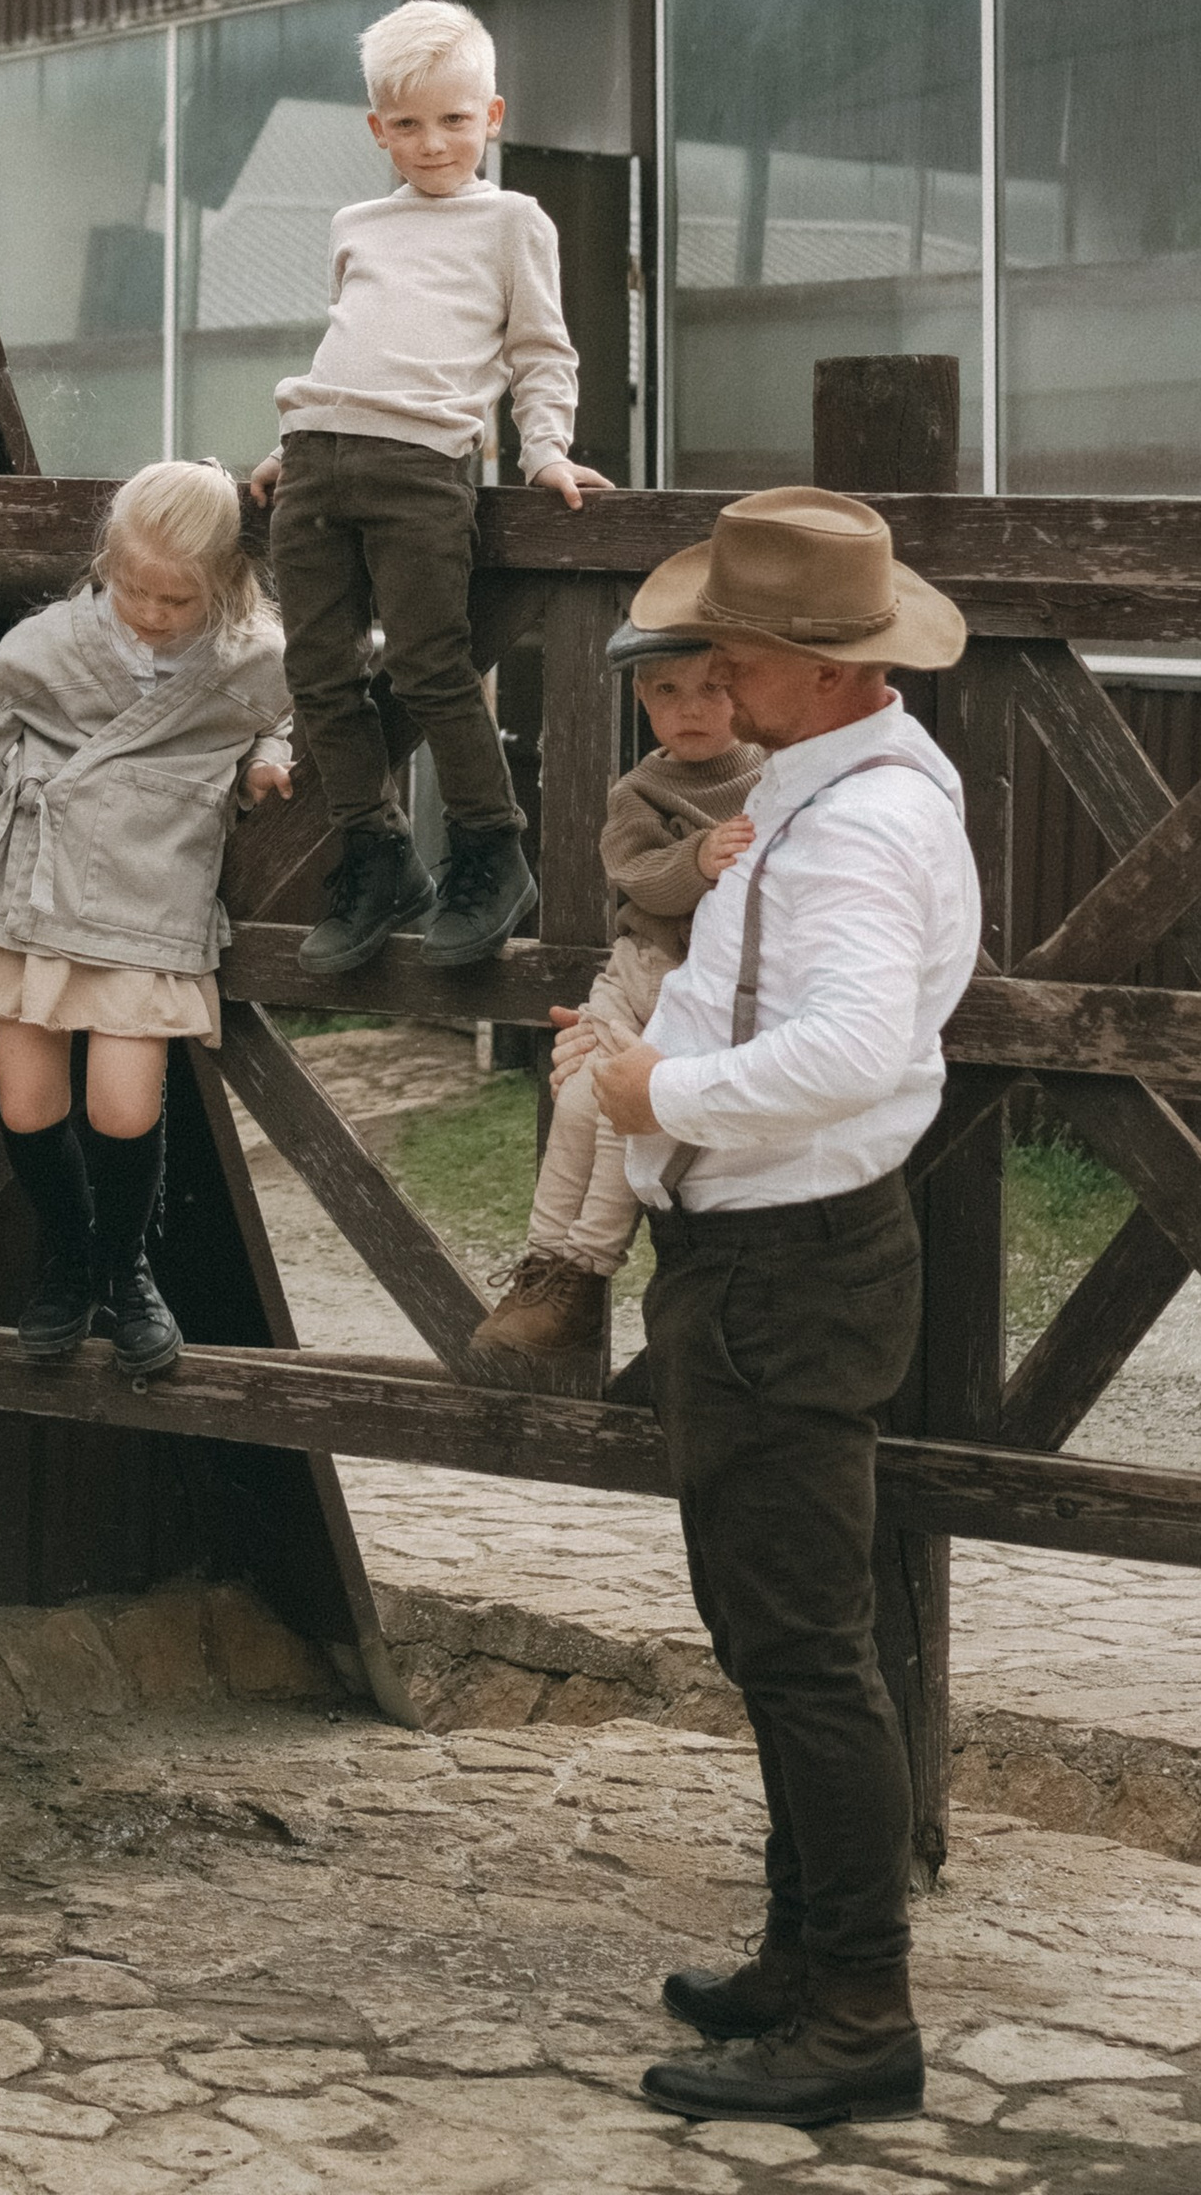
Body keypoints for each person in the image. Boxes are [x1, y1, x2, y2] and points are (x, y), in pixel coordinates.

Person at [549, 488, 978, 2133]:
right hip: (777, 1259)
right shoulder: (844, 784)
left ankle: (860, 2005)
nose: (708, 661)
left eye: (736, 641)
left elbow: (860, 1047)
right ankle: (810, 1957)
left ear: (813, 664)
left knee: (802, 1648)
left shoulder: (858, 823)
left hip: (788, 1265)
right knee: (784, 1631)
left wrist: (664, 1085)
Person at [245, 0, 609, 980]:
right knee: (316, 671)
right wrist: (295, 441)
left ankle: (492, 852)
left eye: (453, 119)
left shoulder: (512, 222)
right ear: (376, 131)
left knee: (428, 667)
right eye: (405, 123)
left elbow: (540, 350)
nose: (431, 141)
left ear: (491, 116)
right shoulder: (356, 223)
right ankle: (376, 853)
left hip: (422, 470)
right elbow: (353, 340)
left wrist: (544, 450)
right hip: (317, 458)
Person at [0, 459, 292, 1382]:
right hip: (35, 890)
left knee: (124, 1106)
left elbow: (298, 708)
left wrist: (267, 754)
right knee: (28, 1100)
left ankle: (126, 1268)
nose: (152, 610)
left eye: (177, 597)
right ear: (106, 561)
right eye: (132, 586)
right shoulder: (57, 641)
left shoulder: (254, 652)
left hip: (152, 896)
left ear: (223, 584)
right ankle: (70, 1260)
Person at [470, 639, 763, 1375]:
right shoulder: (638, 791)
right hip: (634, 970)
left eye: (709, 691)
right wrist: (697, 859)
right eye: (666, 693)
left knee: (611, 1105)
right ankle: (542, 1269)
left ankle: (586, 1270)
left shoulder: (771, 780)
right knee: (578, 1095)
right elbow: (641, 881)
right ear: (640, 700)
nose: (689, 710)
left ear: (742, 688)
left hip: (693, 986)